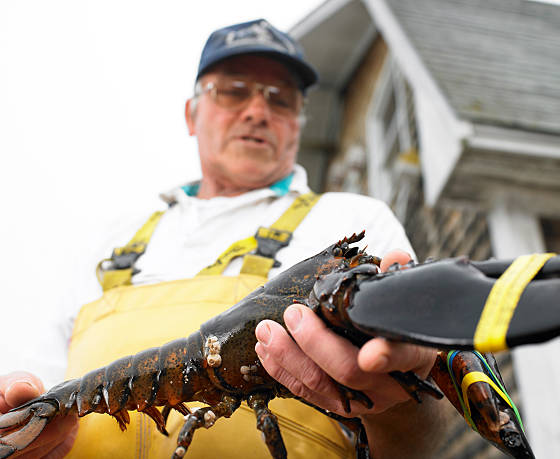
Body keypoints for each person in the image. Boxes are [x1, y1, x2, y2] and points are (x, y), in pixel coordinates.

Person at [0, 19, 449, 458]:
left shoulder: (354, 215)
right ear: (192, 114)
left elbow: (423, 437)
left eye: (281, 99)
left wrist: (399, 401)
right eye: (233, 91)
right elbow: (33, 383)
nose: (257, 110)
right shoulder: (108, 241)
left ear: (298, 123)